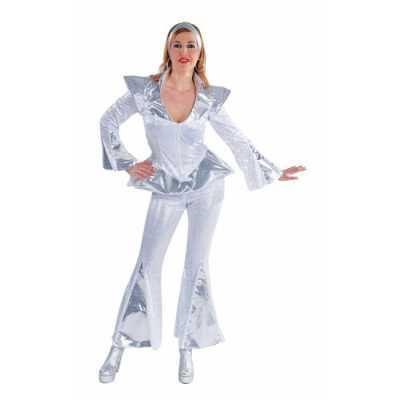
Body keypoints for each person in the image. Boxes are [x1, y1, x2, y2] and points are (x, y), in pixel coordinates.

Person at [98, 21, 306, 385]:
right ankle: (120, 344)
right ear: (168, 50)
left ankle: (187, 346)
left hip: (207, 186)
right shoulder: (146, 93)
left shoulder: (207, 97)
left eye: (190, 45)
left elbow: (236, 139)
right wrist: (127, 162)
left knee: (196, 266)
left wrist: (273, 171)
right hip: (166, 187)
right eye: (177, 45)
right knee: (147, 264)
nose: (184, 52)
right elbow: (108, 121)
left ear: (200, 52)